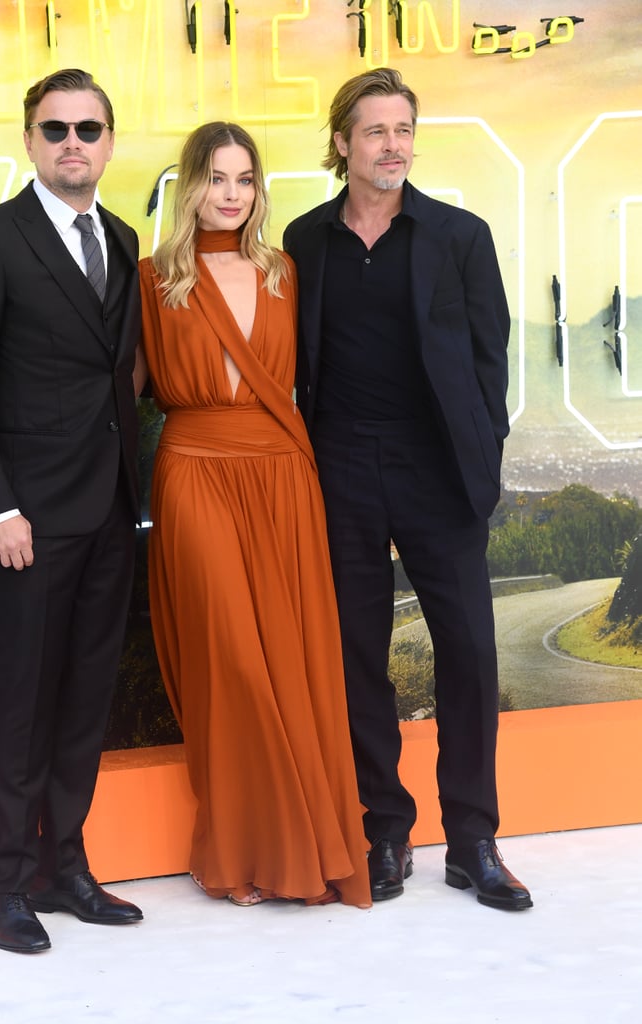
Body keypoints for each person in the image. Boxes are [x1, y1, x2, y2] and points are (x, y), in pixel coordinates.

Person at [283, 68, 532, 911]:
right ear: (343, 143)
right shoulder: (305, 239)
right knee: (358, 659)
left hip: (438, 471)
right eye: (376, 131)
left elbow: (491, 363)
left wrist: (484, 458)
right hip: (342, 466)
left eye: (403, 130)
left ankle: (473, 840)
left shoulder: (461, 236)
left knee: (468, 654)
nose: (393, 145)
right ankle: (384, 832)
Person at [134, 122, 371, 908]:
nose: (230, 194)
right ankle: (241, 849)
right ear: (189, 186)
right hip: (193, 470)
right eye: (215, 178)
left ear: (258, 190)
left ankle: (298, 845)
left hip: (280, 475)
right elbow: (113, 393)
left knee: (293, 663)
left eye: (244, 179)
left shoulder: (283, 271)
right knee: (230, 658)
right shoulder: (150, 278)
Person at [0, 68, 144, 953]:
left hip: (110, 516)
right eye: (54, 129)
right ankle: (5, 885)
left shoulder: (125, 238)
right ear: (28, 140)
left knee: (84, 700)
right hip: (27, 520)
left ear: (107, 140)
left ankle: (67, 869)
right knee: (22, 702)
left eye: (88, 129)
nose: (72, 143)